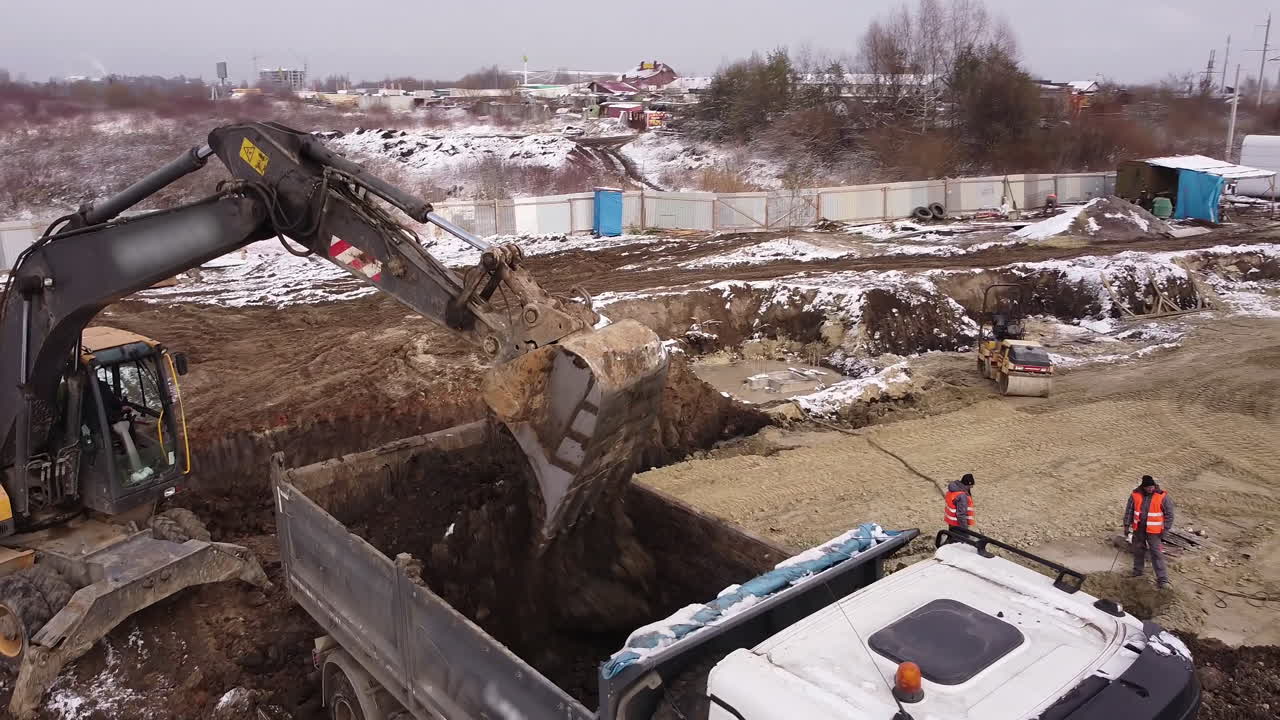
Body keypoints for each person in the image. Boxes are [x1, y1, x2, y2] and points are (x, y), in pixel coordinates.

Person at [1124, 475, 1174, 589]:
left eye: (1152, 486)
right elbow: (1129, 511)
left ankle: (1162, 580)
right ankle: (1137, 573)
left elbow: (1169, 515)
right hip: (1139, 530)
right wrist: (1126, 526)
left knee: (1156, 554)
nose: (1151, 489)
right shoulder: (1135, 495)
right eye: (1148, 487)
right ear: (1144, 487)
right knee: (1138, 551)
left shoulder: (1162, 497)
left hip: (1155, 532)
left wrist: (1165, 529)